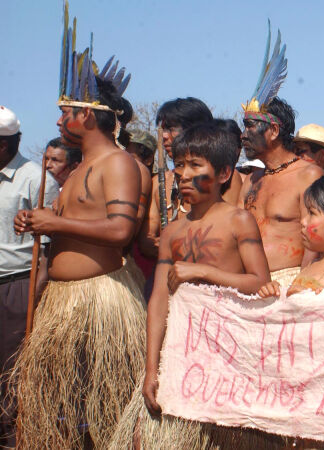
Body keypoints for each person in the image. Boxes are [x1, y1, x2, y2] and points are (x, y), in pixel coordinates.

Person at [11, 14, 145, 446]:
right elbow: (73, 223)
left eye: (64, 112)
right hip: (64, 304)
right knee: (62, 414)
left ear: (88, 115)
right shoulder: (79, 168)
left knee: (102, 416)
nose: (57, 121)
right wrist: (36, 222)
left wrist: (55, 221)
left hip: (99, 302)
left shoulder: (118, 163)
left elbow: (121, 229)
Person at [109, 123, 270, 449]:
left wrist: (204, 272)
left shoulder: (238, 220)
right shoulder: (172, 232)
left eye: (196, 166)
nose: (182, 174)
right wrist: (151, 369)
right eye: (179, 165)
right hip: (181, 349)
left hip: (230, 351)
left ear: (224, 173)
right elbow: (158, 301)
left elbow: (260, 282)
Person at [238, 23, 324, 287]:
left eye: (251, 126)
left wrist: (300, 284)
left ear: (273, 130)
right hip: (249, 286)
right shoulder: (251, 180)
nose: (243, 135)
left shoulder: (308, 175)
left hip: (290, 283)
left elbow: (316, 237)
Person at [0, 105, 60, 448]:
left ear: (3, 145)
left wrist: (34, 301)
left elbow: (48, 251)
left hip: (16, 287)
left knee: (11, 378)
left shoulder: (36, 180)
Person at [139, 97, 214, 259]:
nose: (164, 136)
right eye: (163, 129)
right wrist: (160, 245)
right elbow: (147, 238)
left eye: (171, 129)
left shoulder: (220, 179)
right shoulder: (159, 182)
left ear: (194, 130)